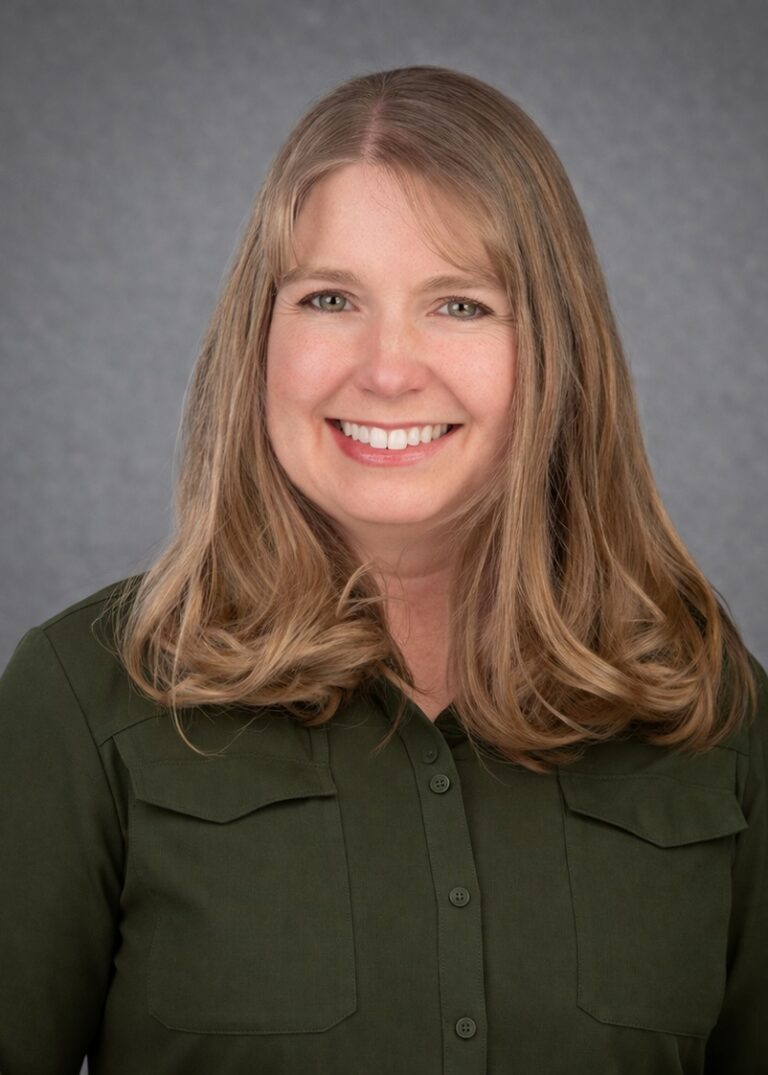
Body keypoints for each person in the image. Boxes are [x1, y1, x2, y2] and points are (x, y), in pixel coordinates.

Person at [0, 65, 765, 1075]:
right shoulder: (81, 698)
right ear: (258, 341)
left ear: (558, 350)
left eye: (460, 304)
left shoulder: (707, 699)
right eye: (330, 298)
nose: (389, 367)